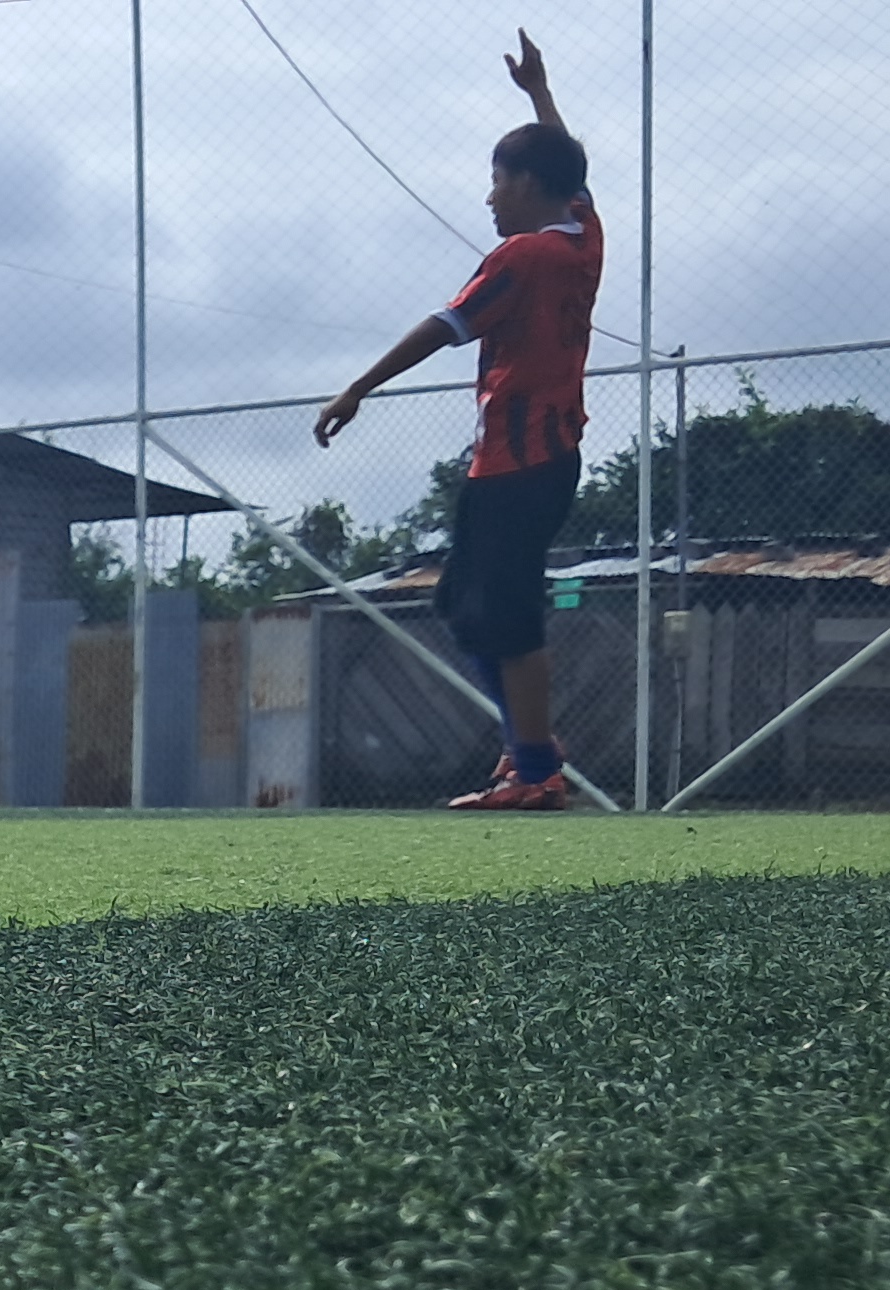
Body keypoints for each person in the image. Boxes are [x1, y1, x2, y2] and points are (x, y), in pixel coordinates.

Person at [316, 30, 600, 812]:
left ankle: (536, 770)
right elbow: (569, 169)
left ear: (528, 184)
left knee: (506, 613)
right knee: (465, 611)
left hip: (524, 461)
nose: (489, 197)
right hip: (517, 462)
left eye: (498, 180)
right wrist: (538, 93)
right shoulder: (584, 237)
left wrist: (358, 387)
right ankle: (530, 753)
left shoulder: (524, 258)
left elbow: (446, 325)